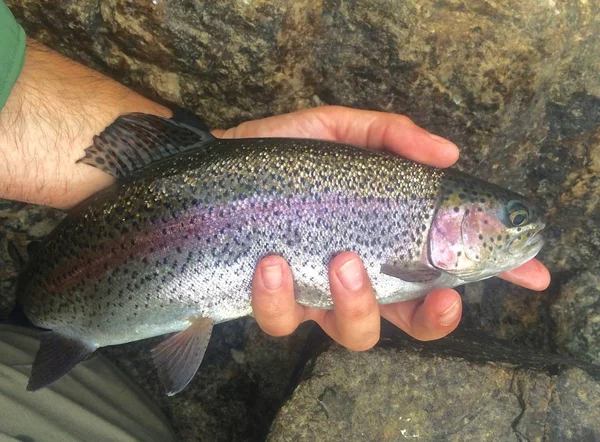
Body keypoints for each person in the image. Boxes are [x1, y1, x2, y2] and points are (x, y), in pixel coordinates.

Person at [0, 2, 550, 439]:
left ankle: (27, 319)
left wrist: (214, 151)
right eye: (513, 217)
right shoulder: (423, 262)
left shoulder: (429, 248)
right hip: (62, 305)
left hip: (64, 294)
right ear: (457, 218)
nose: (521, 227)